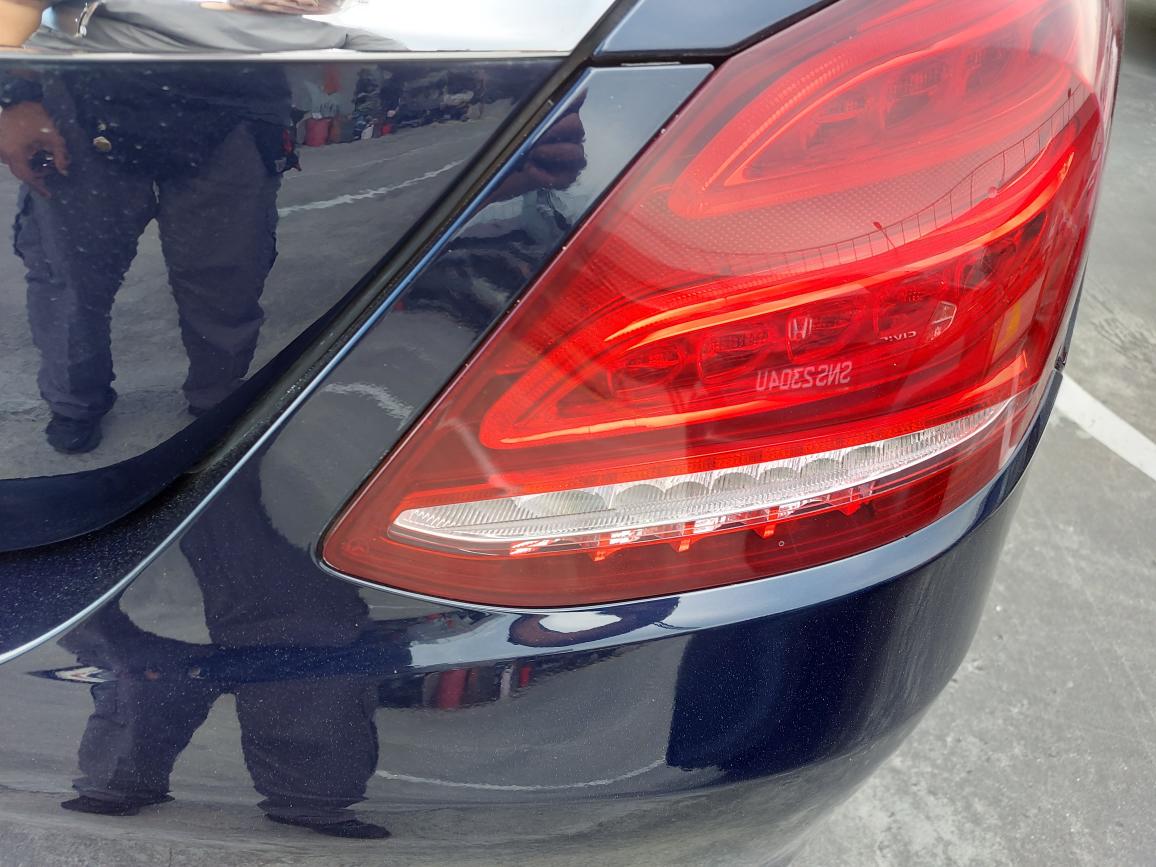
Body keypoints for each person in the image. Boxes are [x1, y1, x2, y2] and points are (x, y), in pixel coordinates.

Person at [0, 0, 400, 453]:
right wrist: (16, 97)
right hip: (86, 87)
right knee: (70, 277)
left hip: (241, 98)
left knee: (228, 276)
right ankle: (74, 402)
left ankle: (216, 401)